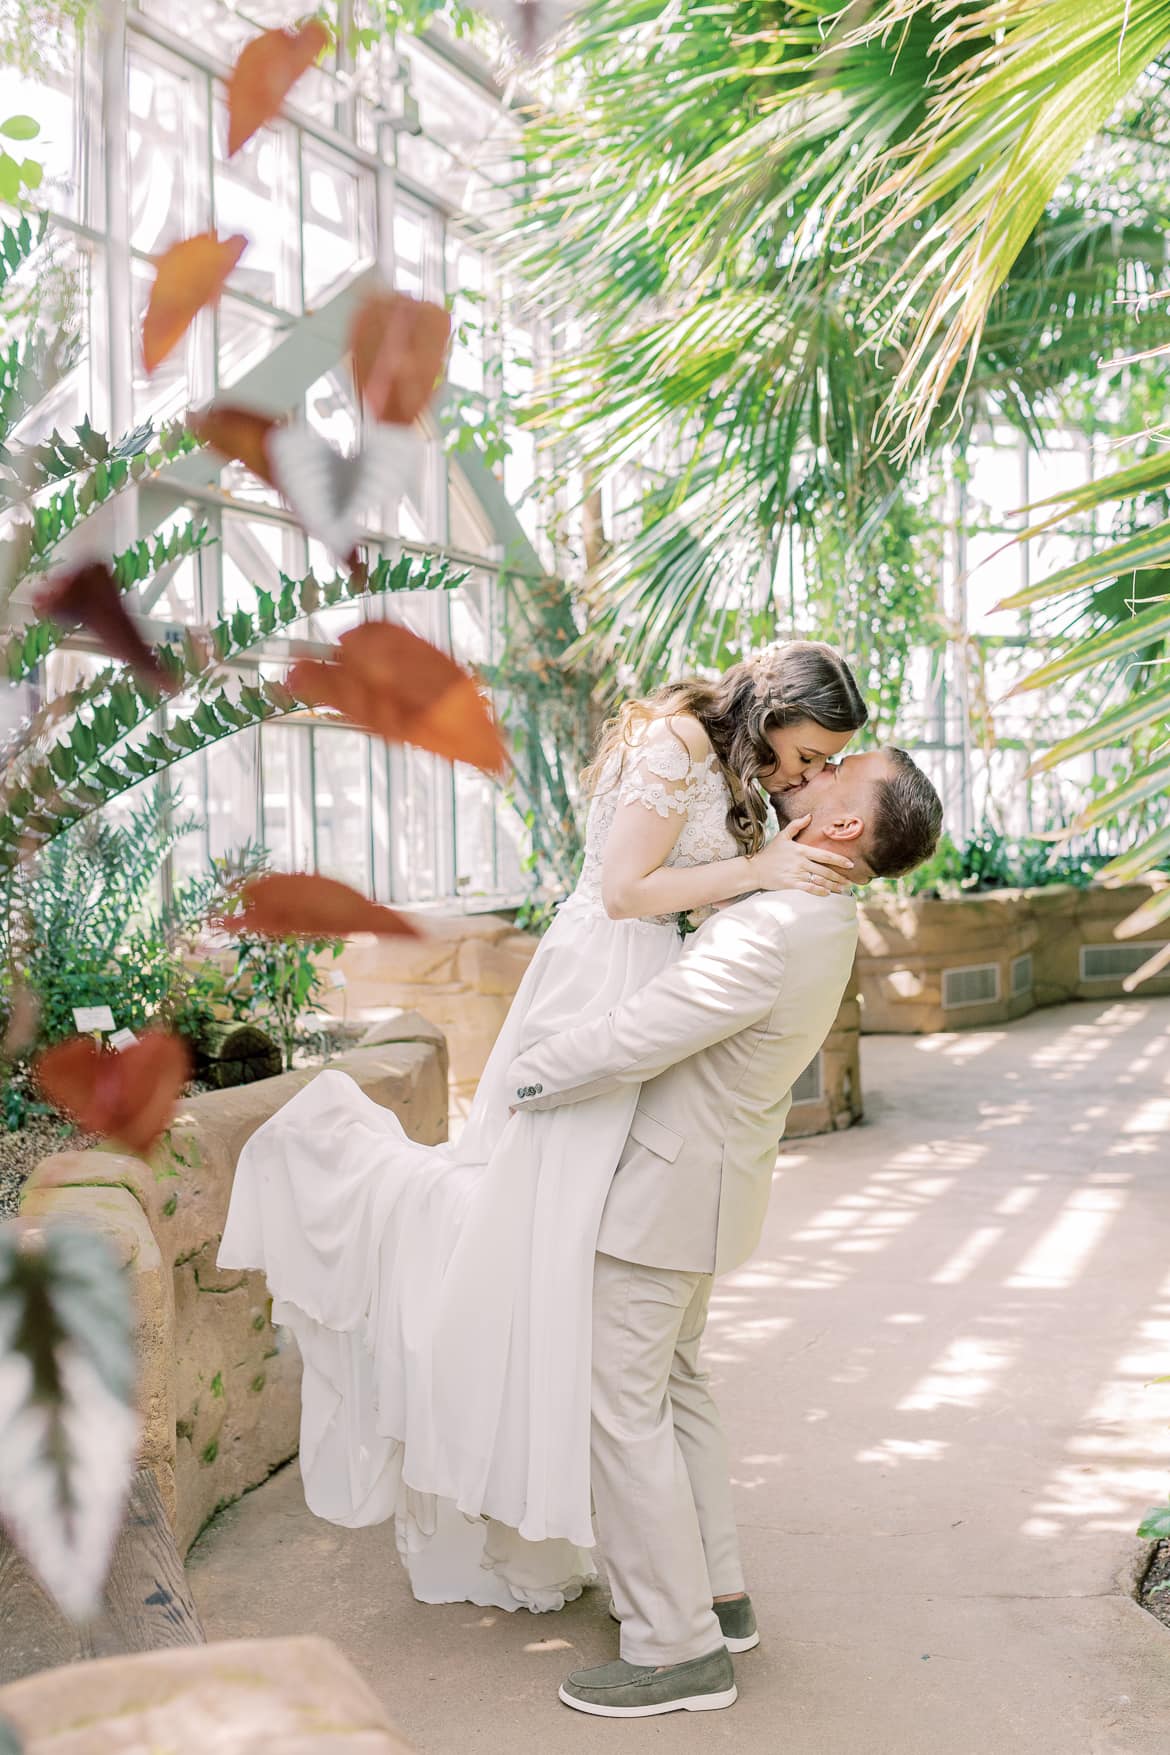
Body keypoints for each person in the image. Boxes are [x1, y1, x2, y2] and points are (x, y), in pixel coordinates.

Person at [218, 641, 868, 1611]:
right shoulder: (675, 739)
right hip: (604, 979)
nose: (809, 777)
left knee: (582, 1264)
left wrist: (765, 867)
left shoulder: (732, 760)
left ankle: (613, 1537)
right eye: (810, 755)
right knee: (536, 1235)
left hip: (651, 986)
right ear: (772, 713)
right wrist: (760, 869)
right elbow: (625, 891)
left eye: (823, 767)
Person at [506, 747, 944, 1717]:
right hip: (703, 1195)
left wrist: (522, 1077)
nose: (816, 768)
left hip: (663, 1204)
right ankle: (720, 1594)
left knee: (623, 1412)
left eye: (838, 769)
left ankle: (675, 1648)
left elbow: (634, 1040)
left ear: (841, 828)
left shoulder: (778, 927)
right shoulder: (814, 911)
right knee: (675, 1389)